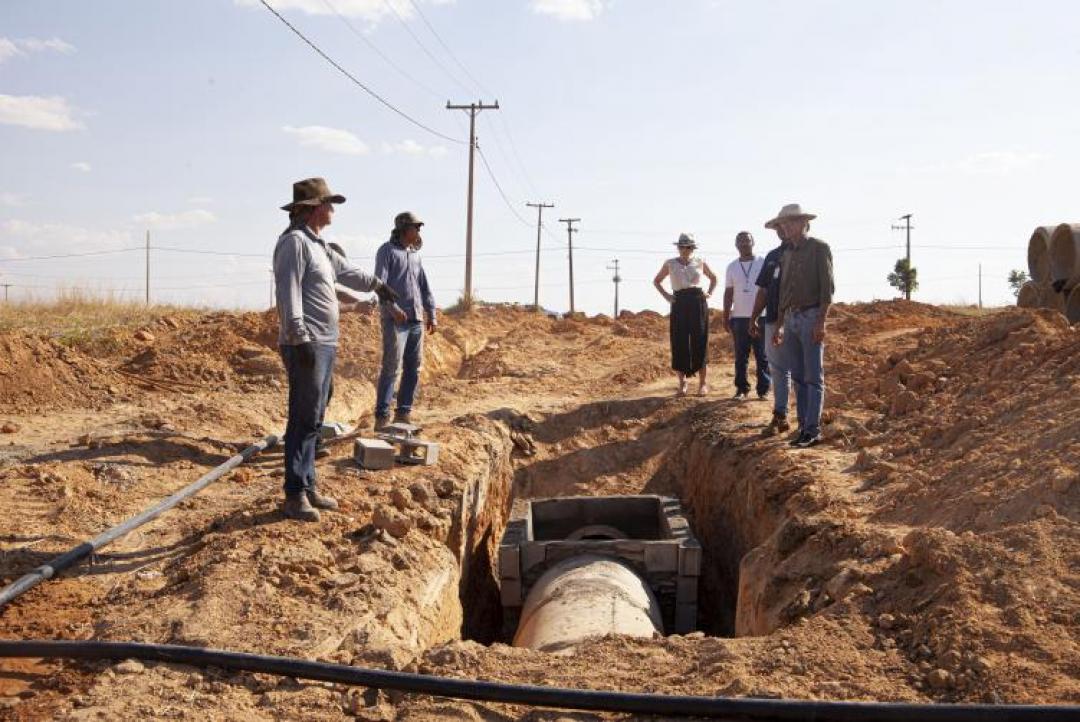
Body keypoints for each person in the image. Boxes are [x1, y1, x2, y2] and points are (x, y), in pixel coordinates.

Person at [274, 177, 398, 521]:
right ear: (313, 209)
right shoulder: (294, 244)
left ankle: (309, 485)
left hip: (324, 342)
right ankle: (295, 493)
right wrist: (298, 337)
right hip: (306, 341)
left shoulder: (321, 247)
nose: (332, 210)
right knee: (303, 418)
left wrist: (380, 286)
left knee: (315, 418)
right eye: (328, 204)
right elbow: (288, 293)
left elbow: (349, 273)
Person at [766, 203, 834, 448]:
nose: (786, 226)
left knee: (813, 376)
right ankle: (803, 427)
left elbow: (827, 289)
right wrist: (780, 324)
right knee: (797, 376)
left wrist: (821, 321)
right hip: (791, 319)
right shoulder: (787, 254)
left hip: (811, 315)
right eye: (784, 223)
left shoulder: (819, 249)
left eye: (792, 222)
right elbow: (784, 292)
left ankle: (813, 430)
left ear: (805, 223)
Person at [373, 211, 437, 430]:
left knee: (414, 367)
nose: (418, 231)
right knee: (392, 367)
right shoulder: (387, 251)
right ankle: (382, 417)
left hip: (416, 319)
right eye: (415, 227)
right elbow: (379, 284)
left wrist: (432, 314)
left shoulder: (416, 255)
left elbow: (425, 288)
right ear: (403, 229)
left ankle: (403, 413)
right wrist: (392, 308)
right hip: (395, 320)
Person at [653, 233, 718, 396]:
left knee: (700, 340)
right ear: (678, 247)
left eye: (688, 247)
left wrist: (709, 293)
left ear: (692, 248)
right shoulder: (670, 263)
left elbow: (714, 278)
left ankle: (702, 384)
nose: (685, 249)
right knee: (679, 340)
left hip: (697, 301)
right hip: (679, 302)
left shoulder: (700, 261)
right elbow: (657, 281)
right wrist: (667, 296)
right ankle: (682, 383)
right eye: (682, 246)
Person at [749, 225, 793, 436]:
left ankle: (807, 422)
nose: (782, 230)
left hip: (799, 319)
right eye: (778, 227)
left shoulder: (808, 252)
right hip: (773, 319)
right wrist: (754, 317)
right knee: (778, 369)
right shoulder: (772, 256)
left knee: (803, 372)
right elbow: (763, 290)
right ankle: (781, 413)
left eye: (786, 225)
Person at [722, 232, 769, 400]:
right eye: (740, 241)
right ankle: (742, 389)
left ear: (753, 242)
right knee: (741, 356)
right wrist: (726, 315)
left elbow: (769, 290)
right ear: (736, 245)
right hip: (739, 318)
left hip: (761, 317)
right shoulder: (732, 267)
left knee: (762, 355)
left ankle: (763, 390)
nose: (744, 244)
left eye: (747, 240)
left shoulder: (763, 263)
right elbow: (728, 292)